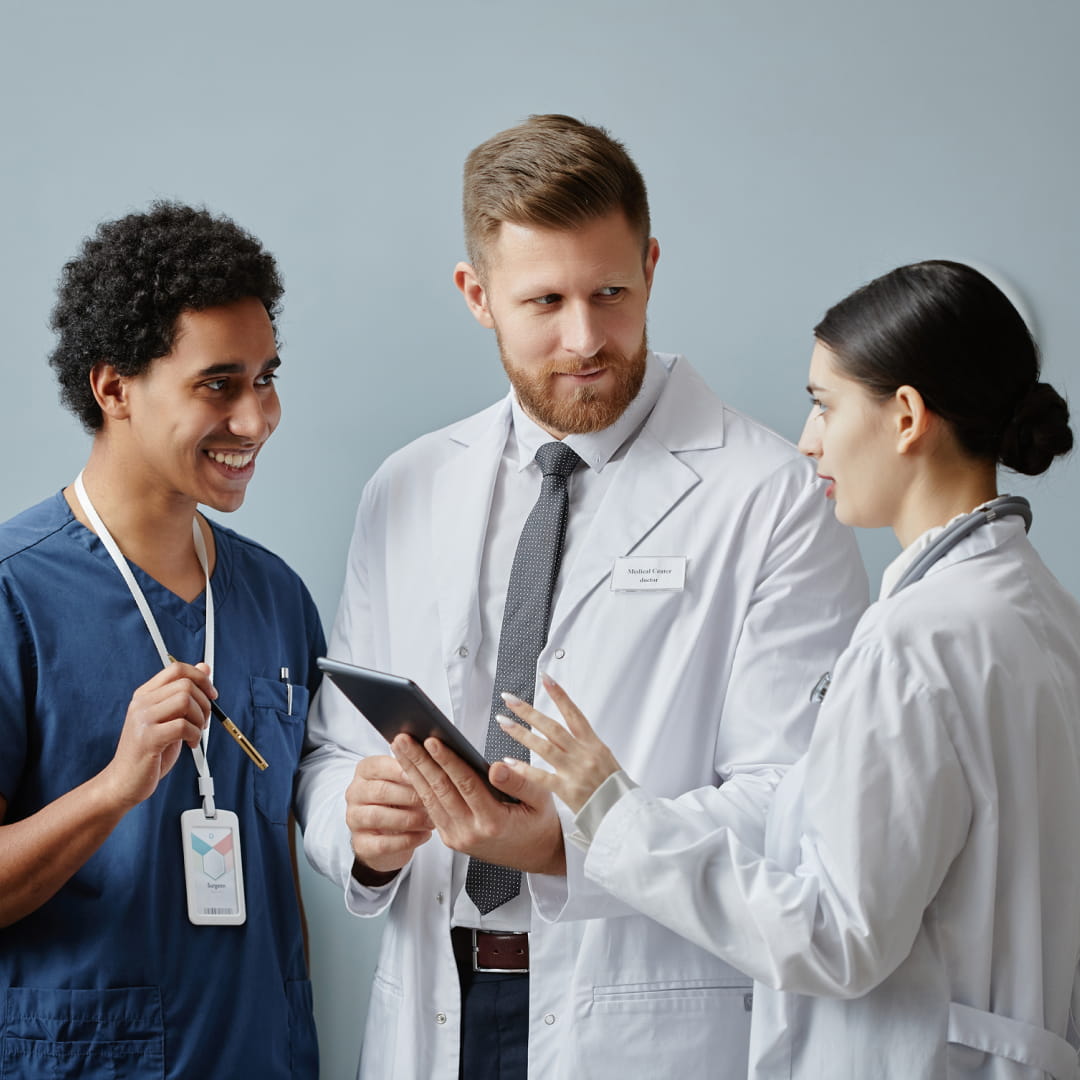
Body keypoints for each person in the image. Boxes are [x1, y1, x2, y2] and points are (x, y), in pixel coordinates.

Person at [297, 114, 868, 1080]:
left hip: (648, 1010)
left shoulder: (769, 495)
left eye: (611, 292)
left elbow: (799, 801)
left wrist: (571, 842)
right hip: (438, 1001)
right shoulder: (407, 485)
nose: (586, 338)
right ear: (476, 295)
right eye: (545, 301)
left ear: (650, 264)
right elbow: (331, 755)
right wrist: (355, 826)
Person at [494, 260, 1080, 1078]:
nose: (807, 440)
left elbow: (836, 935)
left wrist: (613, 811)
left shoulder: (919, 641)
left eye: (824, 405)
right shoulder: (1046, 613)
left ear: (906, 416)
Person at [0, 202, 324, 1078]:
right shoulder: (13, 593)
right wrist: (114, 788)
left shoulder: (276, 598)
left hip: (261, 1052)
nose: (256, 419)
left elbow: (281, 854)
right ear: (114, 389)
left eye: (266, 377)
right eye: (219, 383)